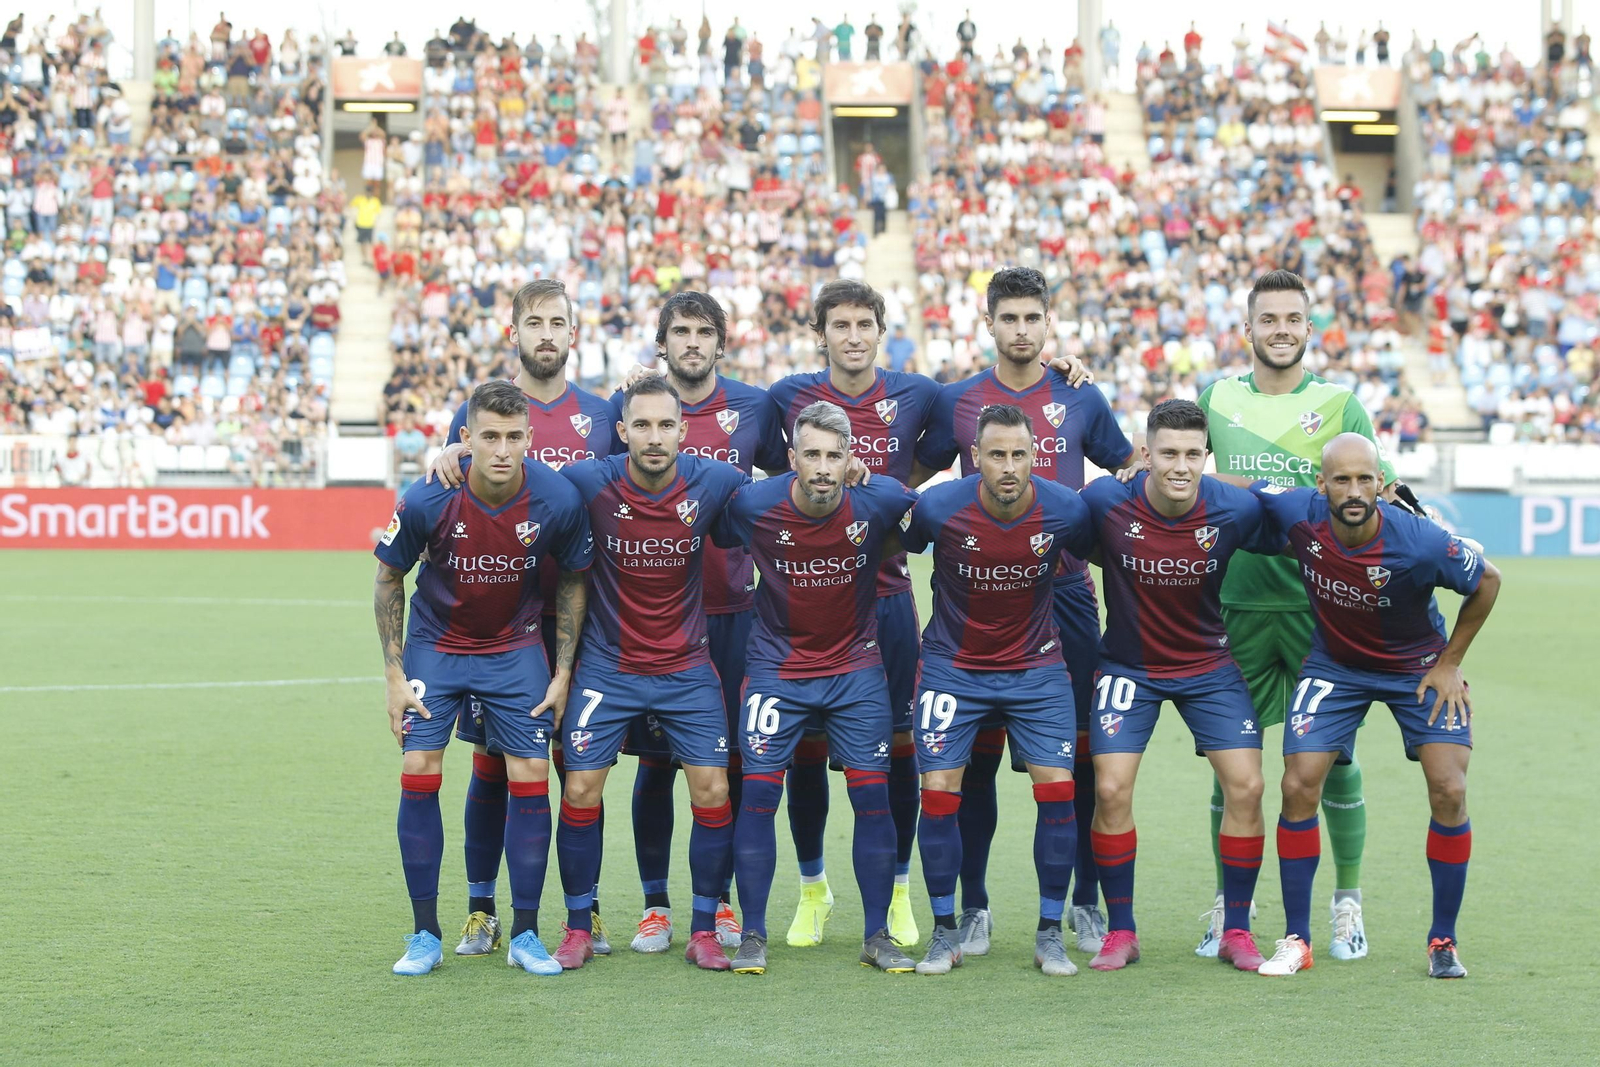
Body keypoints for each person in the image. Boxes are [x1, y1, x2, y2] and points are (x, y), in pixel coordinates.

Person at [914, 267, 1136, 957]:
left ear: (1047, 322)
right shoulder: (957, 399)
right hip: (976, 599)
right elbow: (915, 482)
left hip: (1063, 597)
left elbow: (1126, 470)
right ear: (989, 323)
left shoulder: (1078, 392)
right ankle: (973, 906)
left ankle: (1085, 905)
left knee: (1079, 760)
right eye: (1007, 318)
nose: (1020, 330)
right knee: (969, 767)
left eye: (1031, 318)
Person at [1191, 269, 1399, 961]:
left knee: (1335, 762)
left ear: (1310, 329)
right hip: (1234, 605)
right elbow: (1184, 480)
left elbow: (1381, 497)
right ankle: (1233, 906)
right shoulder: (1214, 397)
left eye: (1293, 318)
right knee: (1233, 766)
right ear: (1246, 329)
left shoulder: (1343, 405)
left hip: (1323, 612)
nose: (1280, 329)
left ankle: (1347, 902)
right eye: (1268, 318)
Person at [1249, 435, 1500, 979]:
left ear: (1383, 485)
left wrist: (1450, 663)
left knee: (1451, 790)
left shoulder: (1421, 539)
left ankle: (1443, 941)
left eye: (1366, 479)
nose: (1355, 490)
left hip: (1419, 667)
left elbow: (1488, 581)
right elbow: (1241, 486)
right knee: (1297, 784)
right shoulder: (1300, 511)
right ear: (1322, 485)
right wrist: (1144, 471)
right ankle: (1297, 939)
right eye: (1342, 480)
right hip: (1336, 667)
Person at [427, 280, 622, 957]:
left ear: (574, 333)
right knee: (489, 764)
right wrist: (440, 454)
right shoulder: (481, 407)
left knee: (578, 765)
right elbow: (449, 470)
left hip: (578, 616)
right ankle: (481, 909)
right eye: (533, 322)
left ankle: (583, 908)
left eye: (558, 322)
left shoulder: (603, 414)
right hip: (497, 619)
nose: (546, 333)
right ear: (514, 331)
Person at [375, 379, 594, 977]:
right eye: (489, 437)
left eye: (514, 437)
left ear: (531, 440)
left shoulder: (557, 498)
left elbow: (575, 579)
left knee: (528, 771)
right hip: (436, 647)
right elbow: (388, 578)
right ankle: (424, 934)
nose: (502, 449)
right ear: (465, 438)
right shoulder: (427, 497)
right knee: (419, 766)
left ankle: (525, 933)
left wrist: (565, 670)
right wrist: (394, 675)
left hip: (514, 648)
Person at [713, 401, 922, 975]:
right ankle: (753, 934)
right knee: (756, 797)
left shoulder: (877, 499)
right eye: (813, 455)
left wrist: (875, 477)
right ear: (792, 459)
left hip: (855, 670)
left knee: (871, 798)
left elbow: (932, 518)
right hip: (776, 670)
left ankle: (877, 934)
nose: (824, 467)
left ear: (851, 458)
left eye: (835, 456)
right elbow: (702, 514)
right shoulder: (755, 503)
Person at [609, 293, 789, 955]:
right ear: (663, 341)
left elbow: (787, 479)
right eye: (680, 331)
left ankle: (721, 904)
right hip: (655, 620)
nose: (692, 342)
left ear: (721, 341)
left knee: (733, 767)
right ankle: (656, 906)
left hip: (738, 614)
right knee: (655, 767)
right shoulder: (634, 408)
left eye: (703, 332)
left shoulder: (756, 407)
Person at [550, 376, 749, 972]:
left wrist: (852, 475)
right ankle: (578, 927)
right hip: (607, 667)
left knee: (712, 790)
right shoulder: (588, 481)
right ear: (622, 431)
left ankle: (704, 928)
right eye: (642, 425)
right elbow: (524, 485)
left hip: (688, 666)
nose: (654, 436)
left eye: (666, 425)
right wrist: (452, 453)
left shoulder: (714, 480)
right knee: (581, 789)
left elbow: (782, 497)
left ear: (683, 432)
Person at [1076, 400, 1280, 973]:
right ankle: (1121, 932)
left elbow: (1302, 516)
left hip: (1208, 668)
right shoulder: (1106, 501)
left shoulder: (1234, 507)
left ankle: (1236, 929)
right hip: (1127, 668)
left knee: (1248, 786)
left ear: (1206, 458)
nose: (1181, 466)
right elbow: (1064, 534)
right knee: (1111, 790)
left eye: (1193, 454)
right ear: (1145, 455)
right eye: (1168, 453)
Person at [899, 405, 1095, 977]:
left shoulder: (1065, 509)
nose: (1008, 467)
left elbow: (1102, 556)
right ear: (975, 457)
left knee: (1058, 789)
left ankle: (1049, 933)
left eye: (1019, 455)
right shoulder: (939, 506)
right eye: (996, 455)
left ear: (1036, 457)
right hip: (952, 668)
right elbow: (889, 547)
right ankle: (944, 931)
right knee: (938, 788)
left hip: (1036, 669)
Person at [350, 184, 381, 266]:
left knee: (369, 243)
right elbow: (352, 206)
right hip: (361, 223)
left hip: (370, 224)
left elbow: (378, 213)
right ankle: (364, 258)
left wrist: (375, 221)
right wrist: (354, 219)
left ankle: (370, 258)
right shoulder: (360, 199)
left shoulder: (375, 201)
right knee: (362, 242)